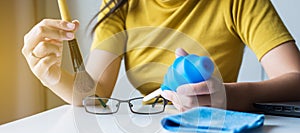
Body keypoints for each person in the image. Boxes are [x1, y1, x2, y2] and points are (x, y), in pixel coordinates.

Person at [22, 0, 300, 112]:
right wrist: (51, 75)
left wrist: (226, 96)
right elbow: (94, 93)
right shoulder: (118, 4)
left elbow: (296, 79)